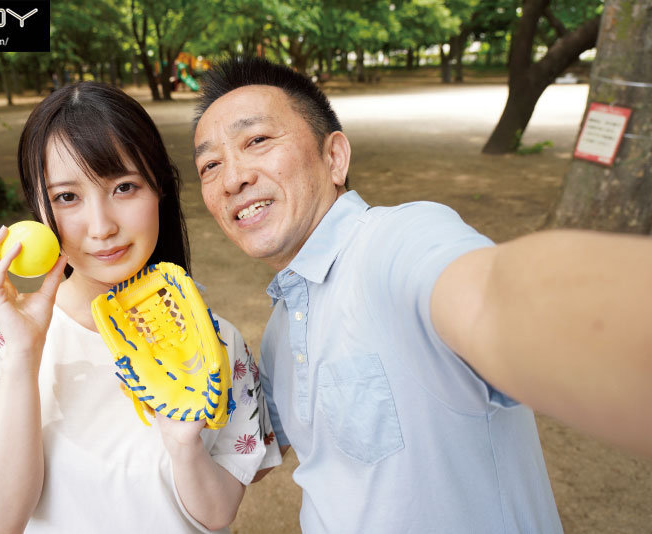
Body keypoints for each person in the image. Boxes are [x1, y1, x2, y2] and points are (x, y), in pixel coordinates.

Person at [192, 56, 652, 533]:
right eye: (210, 165)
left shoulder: (397, 242)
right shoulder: (282, 327)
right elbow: (251, 455)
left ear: (335, 158)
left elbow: (496, 293)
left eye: (257, 140)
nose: (232, 179)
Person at [0, 81, 280, 533]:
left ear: (159, 189)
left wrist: (185, 445)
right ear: (38, 209)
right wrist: (23, 353)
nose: (101, 226)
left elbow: (218, 515)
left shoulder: (218, 344)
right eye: (67, 197)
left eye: (124, 187)